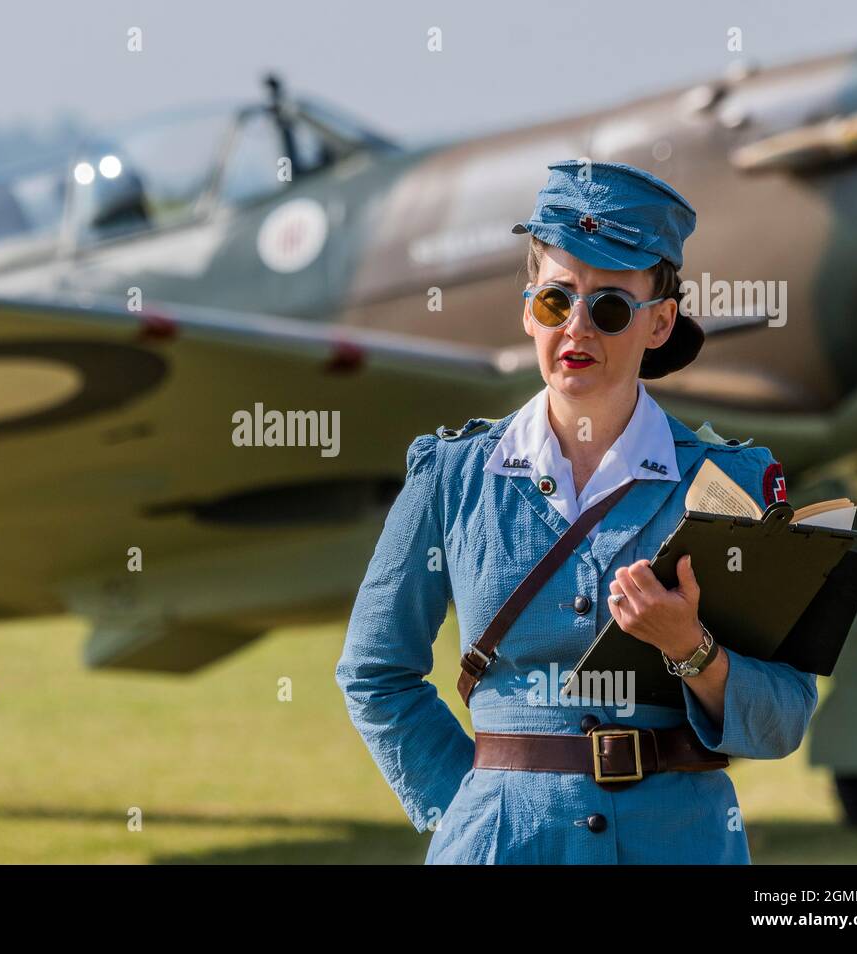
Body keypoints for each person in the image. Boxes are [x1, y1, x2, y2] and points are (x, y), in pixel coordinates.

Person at [334, 159, 817, 864]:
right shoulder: (451, 475)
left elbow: (783, 718)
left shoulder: (733, 484)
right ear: (529, 310)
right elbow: (374, 671)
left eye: (611, 307)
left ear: (659, 325)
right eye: (557, 301)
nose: (577, 329)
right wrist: (465, 809)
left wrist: (693, 650)